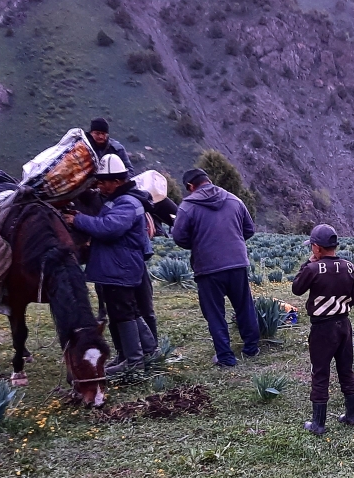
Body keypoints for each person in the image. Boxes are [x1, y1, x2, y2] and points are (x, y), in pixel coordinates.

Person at [63, 154, 157, 374]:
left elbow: (109, 227)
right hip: (118, 266)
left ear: (117, 182)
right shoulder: (122, 200)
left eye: (104, 181)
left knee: (123, 313)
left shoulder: (128, 202)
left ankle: (134, 362)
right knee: (130, 311)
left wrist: (77, 220)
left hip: (119, 267)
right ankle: (149, 351)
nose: (100, 185)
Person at [171, 168, 259, 367]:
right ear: (208, 180)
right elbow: (249, 229)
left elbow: (179, 237)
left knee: (215, 313)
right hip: (237, 263)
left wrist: (199, 243)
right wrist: (232, 241)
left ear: (190, 187)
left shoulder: (187, 206)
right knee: (244, 305)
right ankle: (251, 348)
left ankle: (226, 357)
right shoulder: (234, 200)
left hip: (208, 266)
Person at [291, 224, 354, 434]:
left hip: (322, 328)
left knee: (320, 373)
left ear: (316, 248)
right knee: (346, 369)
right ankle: (351, 415)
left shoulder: (313, 269)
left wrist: (307, 264)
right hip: (344, 325)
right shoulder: (349, 267)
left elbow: (297, 289)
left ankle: (318, 423)